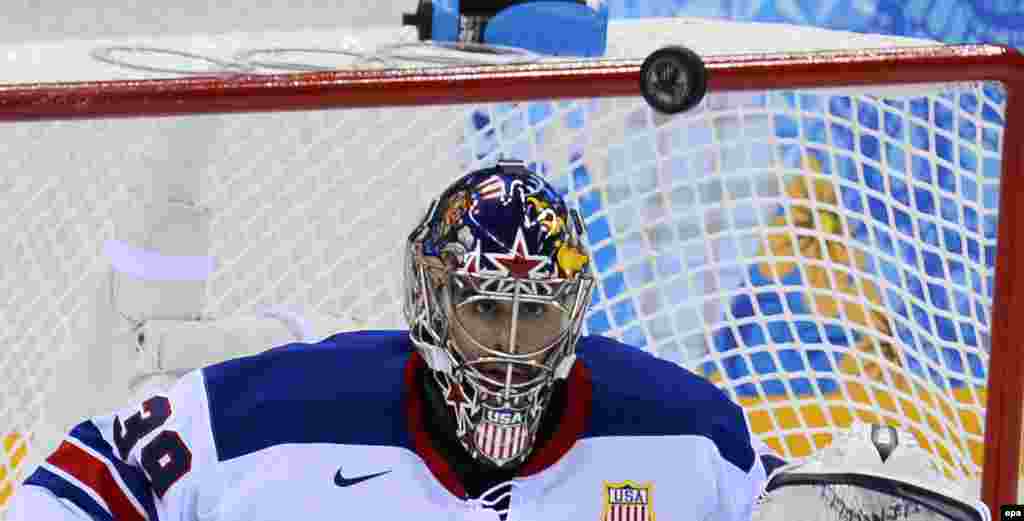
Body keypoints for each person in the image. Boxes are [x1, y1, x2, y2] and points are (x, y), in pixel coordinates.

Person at [9, 160, 770, 520]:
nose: (508, 346)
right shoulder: (285, 411)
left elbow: (790, 502)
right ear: (432, 301)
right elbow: (95, 475)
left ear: (572, 314)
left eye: (534, 311)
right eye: (482, 304)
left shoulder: (688, 431)